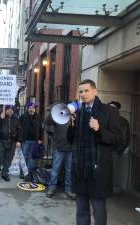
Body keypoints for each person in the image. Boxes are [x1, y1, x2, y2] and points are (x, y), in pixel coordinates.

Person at [67, 79, 122, 225]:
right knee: (81, 210)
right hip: (80, 168)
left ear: (95, 91)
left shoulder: (109, 111)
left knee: (99, 211)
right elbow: (70, 140)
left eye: (86, 90)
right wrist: (71, 126)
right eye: (81, 92)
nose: (83, 94)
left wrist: (99, 130)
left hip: (98, 170)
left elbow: (117, 139)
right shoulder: (77, 111)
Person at [44, 110, 75, 198]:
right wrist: (53, 112)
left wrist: (74, 120)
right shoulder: (58, 117)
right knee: (55, 169)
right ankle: (52, 188)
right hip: (59, 148)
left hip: (70, 148)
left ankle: (68, 189)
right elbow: (46, 123)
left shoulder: (73, 118)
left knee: (69, 170)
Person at [0, 105, 21, 182]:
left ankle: (4, 173)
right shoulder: (0, 116)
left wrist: (18, 140)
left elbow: (19, 130)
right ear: (5, 110)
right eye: (8, 109)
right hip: (1, 140)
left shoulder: (16, 118)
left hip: (12, 141)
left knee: (8, 159)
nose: (10, 111)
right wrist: (0, 119)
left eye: (11, 109)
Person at [19, 102, 43, 182]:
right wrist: (19, 139)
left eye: (33, 108)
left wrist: (40, 138)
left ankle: (30, 173)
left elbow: (40, 128)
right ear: (27, 108)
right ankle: (22, 172)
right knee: (24, 156)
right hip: (25, 140)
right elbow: (19, 127)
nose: (32, 109)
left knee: (31, 157)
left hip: (34, 140)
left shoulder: (38, 117)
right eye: (30, 108)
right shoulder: (23, 116)